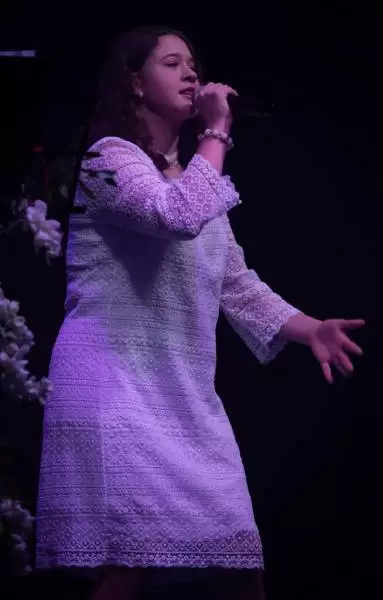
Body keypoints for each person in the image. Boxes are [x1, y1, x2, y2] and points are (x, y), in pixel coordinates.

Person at [35, 25, 365, 599]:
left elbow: (236, 285)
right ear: (135, 84)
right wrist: (217, 131)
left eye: (193, 64)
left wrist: (311, 328)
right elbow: (175, 216)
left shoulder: (196, 182)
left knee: (239, 563)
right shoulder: (104, 162)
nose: (191, 73)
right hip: (115, 387)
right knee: (129, 564)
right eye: (172, 63)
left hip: (184, 397)